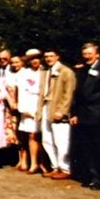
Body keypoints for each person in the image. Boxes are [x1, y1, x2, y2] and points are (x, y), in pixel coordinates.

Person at [70, 43, 100, 190]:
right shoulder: (83, 70)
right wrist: (75, 114)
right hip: (84, 116)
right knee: (87, 148)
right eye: (84, 54)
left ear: (97, 55)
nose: (87, 57)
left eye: (89, 54)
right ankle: (91, 176)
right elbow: (78, 95)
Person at [40, 49, 76, 180]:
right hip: (45, 106)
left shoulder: (66, 72)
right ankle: (55, 166)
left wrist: (62, 111)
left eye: (51, 56)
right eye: (46, 56)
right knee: (47, 139)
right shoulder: (45, 71)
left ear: (57, 56)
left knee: (61, 140)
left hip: (58, 108)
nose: (48, 58)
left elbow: (69, 94)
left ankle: (65, 168)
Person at [14, 49, 45, 174]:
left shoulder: (44, 72)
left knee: (38, 136)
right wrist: (23, 109)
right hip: (27, 106)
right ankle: (32, 163)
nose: (34, 61)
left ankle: (41, 163)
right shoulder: (24, 73)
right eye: (31, 59)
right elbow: (20, 91)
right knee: (28, 135)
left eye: (36, 58)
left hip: (40, 106)